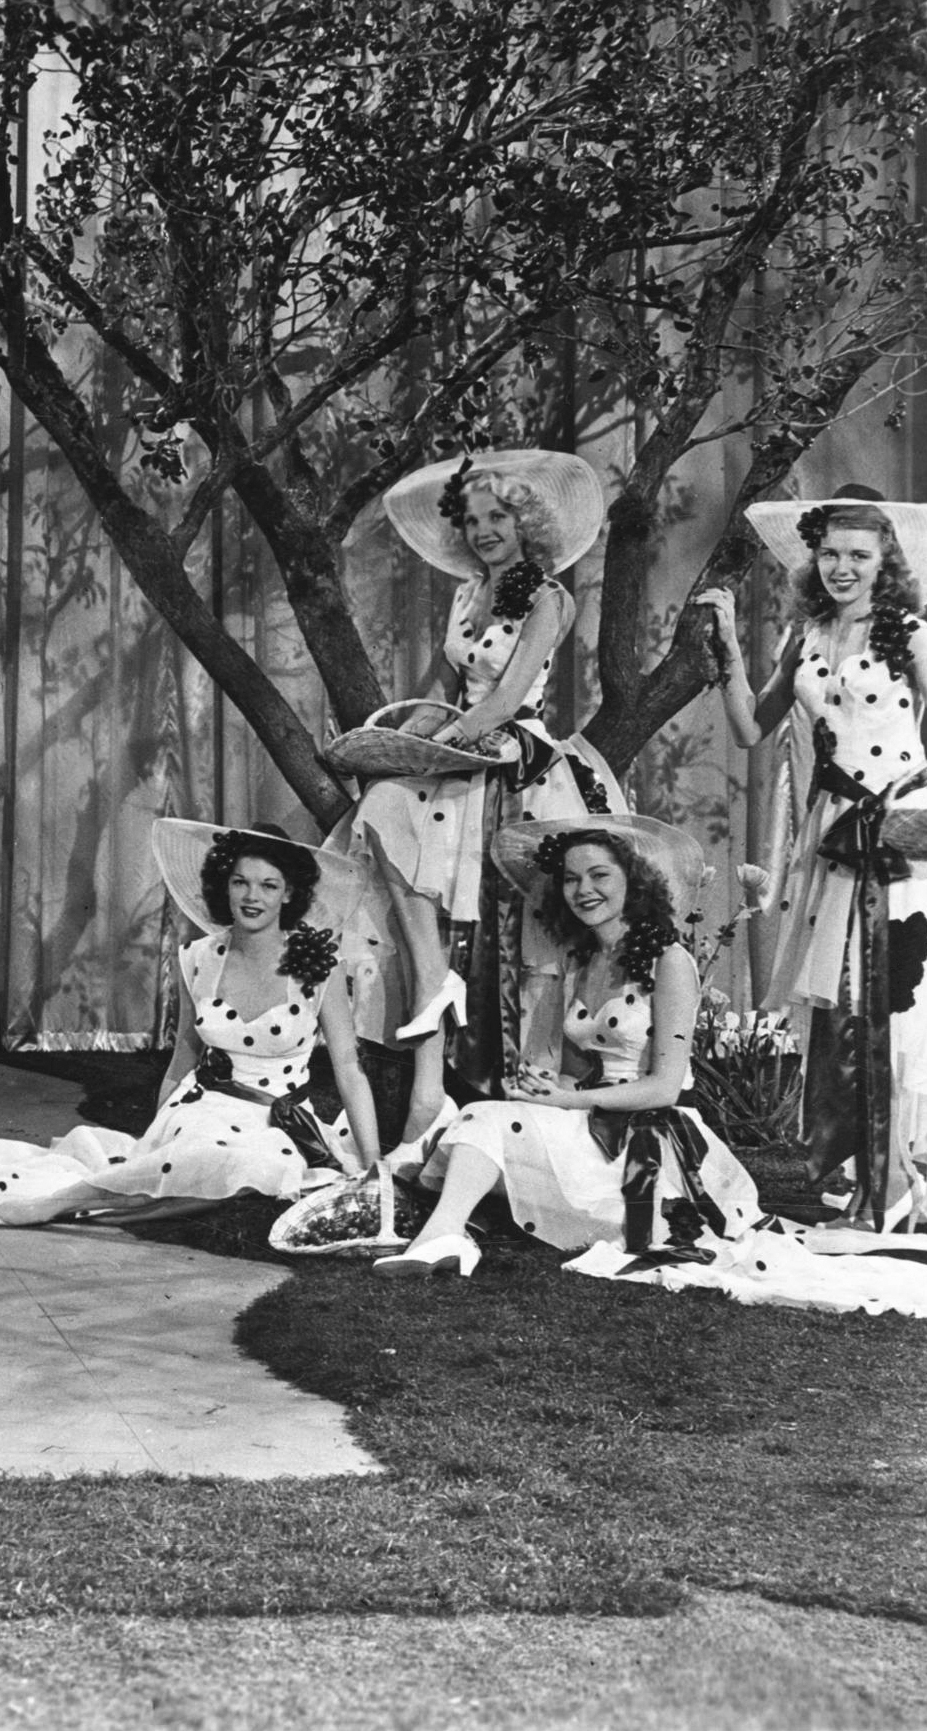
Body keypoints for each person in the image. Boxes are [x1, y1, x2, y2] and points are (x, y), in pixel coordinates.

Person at [335, 449, 620, 1139]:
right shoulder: (466, 594)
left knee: (526, 927)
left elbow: (509, 695)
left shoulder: (549, 597)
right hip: (459, 749)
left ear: (524, 523)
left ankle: (528, 1081)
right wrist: (406, 734)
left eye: (497, 517)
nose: (484, 531)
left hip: (515, 758)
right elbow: (445, 685)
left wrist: (448, 740)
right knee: (382, 810)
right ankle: (433, 987)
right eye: (472, 521)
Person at [0, 822, 386, 1225]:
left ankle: (85, 1208)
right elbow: (184, 1057)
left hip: (278, 1122)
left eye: (268, 885)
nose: (252, 897)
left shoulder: (317, 966)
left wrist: (372, 1162)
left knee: (255, 1169)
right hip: (205, 1110)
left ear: (290, 893)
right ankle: (58, 1204)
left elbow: (348, 1068)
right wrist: (157, 1135)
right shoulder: (199, 958)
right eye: (241, 882)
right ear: (224, 885)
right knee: (208, 1162)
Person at [376, 816, 758, 1277]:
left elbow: (665, 1088)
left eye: (599, 875)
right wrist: (543, 1090)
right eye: (572, 879)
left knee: (484, 1122)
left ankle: (445, 1234)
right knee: (486, 1121)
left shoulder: (670, 962)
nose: (583, 890)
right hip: (593, 1127)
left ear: (633, 881)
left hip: (653, 1141)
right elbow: (573, 1076)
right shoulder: (581, 962)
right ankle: (445, 1236)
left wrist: (567, 1100)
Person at [705, 491, 927, 1230]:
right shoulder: (804, 634)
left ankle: (890, 1183)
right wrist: (729, 648)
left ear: (886, 561)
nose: (841, 567)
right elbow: (748, 728)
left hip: (895, 832)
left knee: (882, 1000)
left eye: (858, 554)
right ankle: (871, 1176)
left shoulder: (912, 636)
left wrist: (909, 813)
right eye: (829, 553)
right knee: (839, 1003)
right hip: (829, 833)